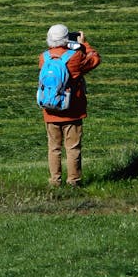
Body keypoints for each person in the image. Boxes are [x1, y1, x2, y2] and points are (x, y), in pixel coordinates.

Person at [39, 24, 101, 187]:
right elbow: (94, 60)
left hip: (50, 109)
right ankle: (73, 181)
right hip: (72, 110)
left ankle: (55, 181)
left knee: (54, 148)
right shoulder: (75, 57)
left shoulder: (43, 57)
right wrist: (84, 44)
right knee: (72, 148)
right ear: (66, 39)